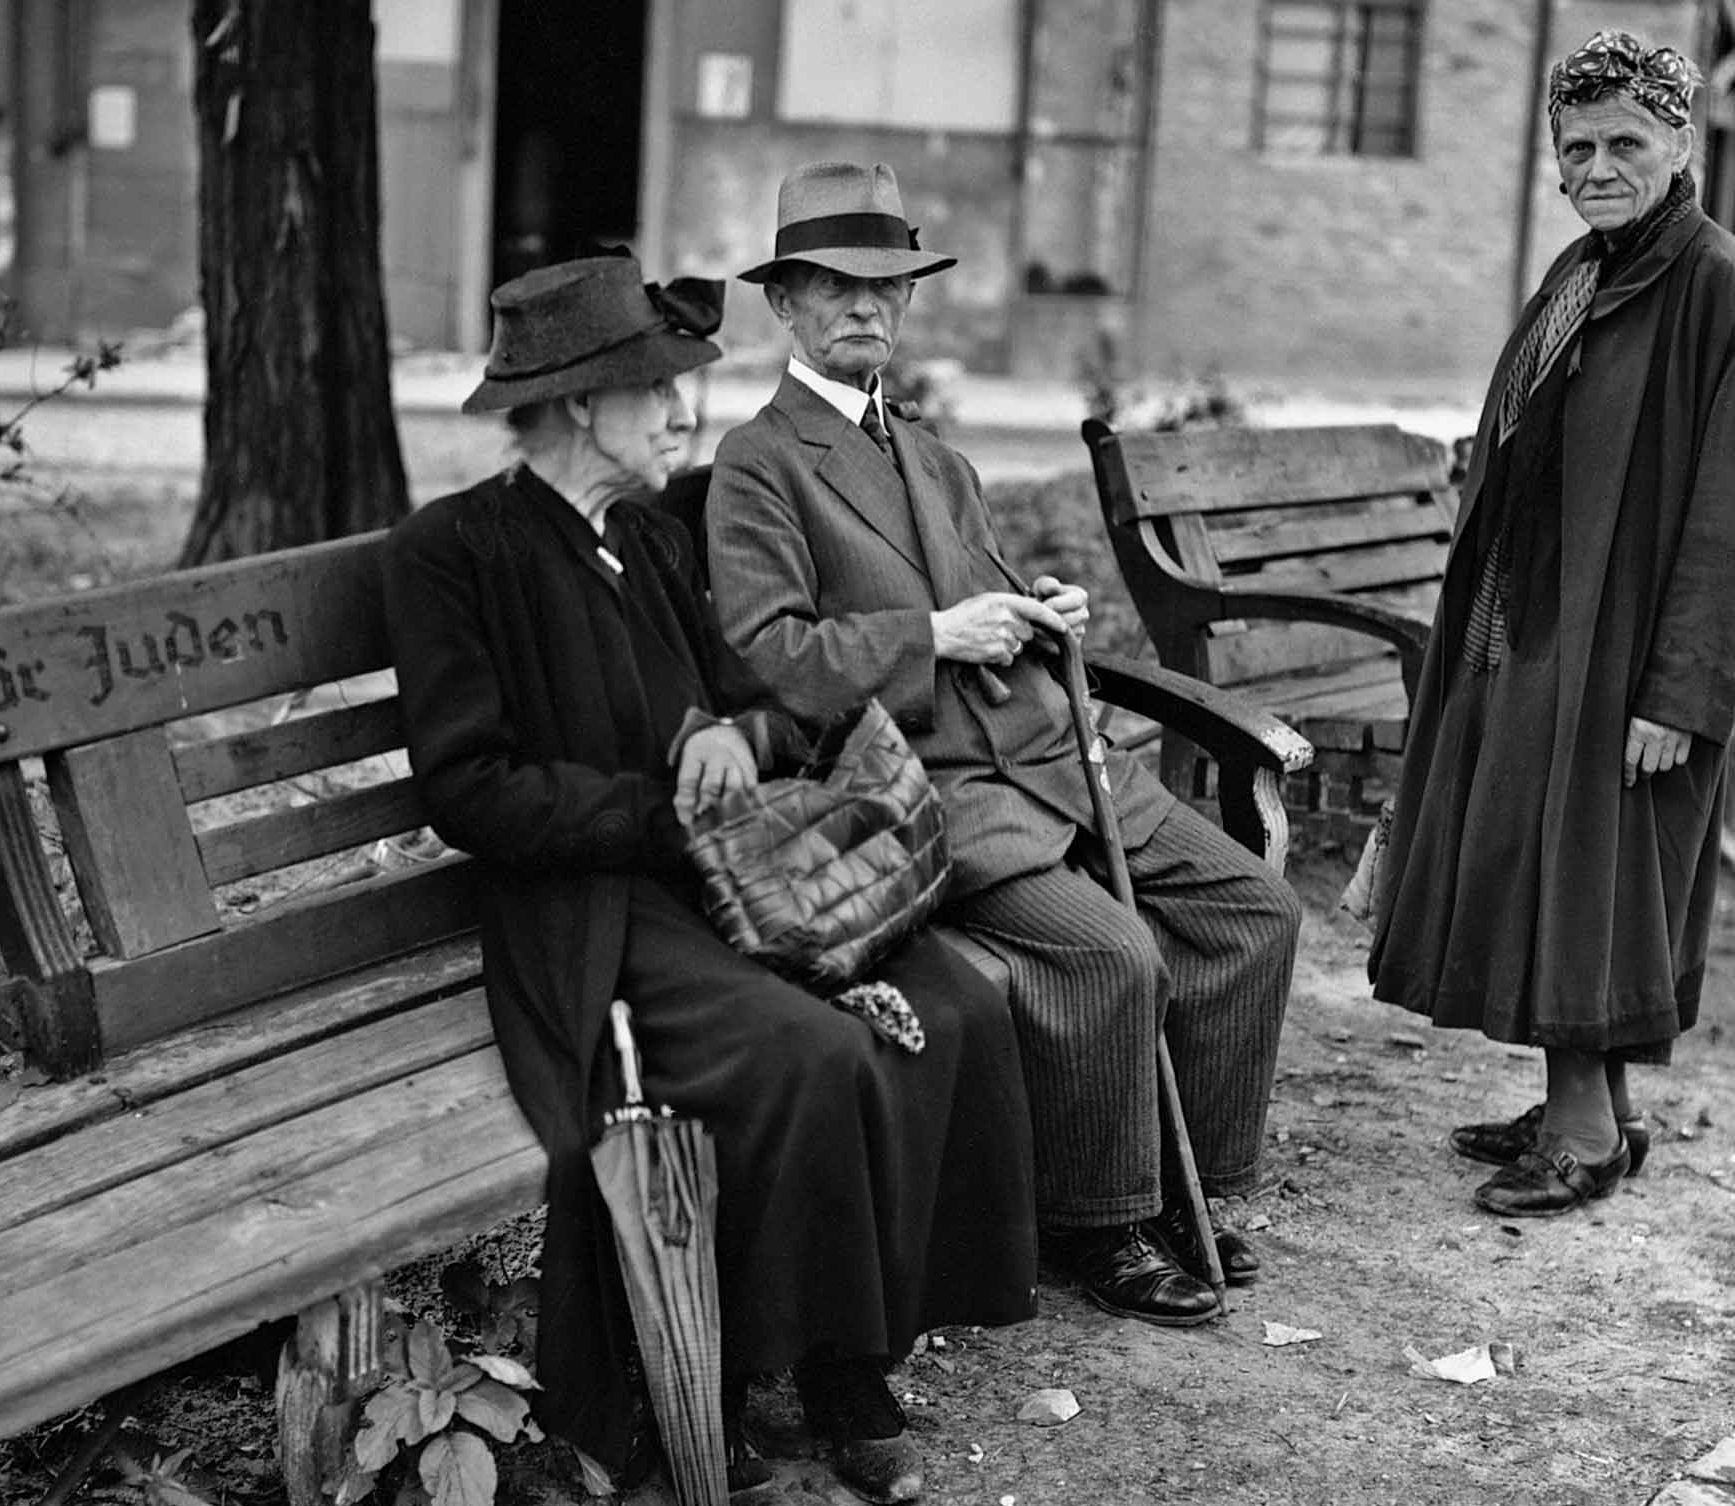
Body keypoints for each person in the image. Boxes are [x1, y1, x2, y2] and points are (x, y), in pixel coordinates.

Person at [382, 255, 1038, 1506]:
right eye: (660, 392)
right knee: (804, 1056)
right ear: (582, 406)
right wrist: (655, 807)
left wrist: (729, 733)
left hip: (728, 877)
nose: (686, 414)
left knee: (949, 1005)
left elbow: (735, 688)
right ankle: (726, 1383)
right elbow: (470, 790)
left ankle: (855, 1362)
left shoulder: (641, 533)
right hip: (589, 915)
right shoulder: (452, 553)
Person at [706, 162, 1301, 1329]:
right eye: (832, 285)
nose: (865, 308)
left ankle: (1187, 1187)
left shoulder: (930, 453)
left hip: (1051, 753)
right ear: (783, 303)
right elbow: (767, 656)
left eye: (887, 286)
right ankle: (1099, 1224)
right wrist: (930, 635)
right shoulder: (760, 462)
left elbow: (972, 593)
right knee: (1110, 955)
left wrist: (1033, 607)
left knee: (1252, 913)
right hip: (931, 786)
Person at [1367, 30, 1735, 1218]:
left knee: (1593, 875)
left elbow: (1730, 515)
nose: (1594, 165)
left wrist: (1679, 690)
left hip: (1630, 654)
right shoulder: (1581, 270)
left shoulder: (1713, 284)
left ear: (1679, 143)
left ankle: (1583, 1134)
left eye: (1623, 141)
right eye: (1572, 147)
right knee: (1547, 862)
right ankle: (1594, 1108)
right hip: (1537, 630)